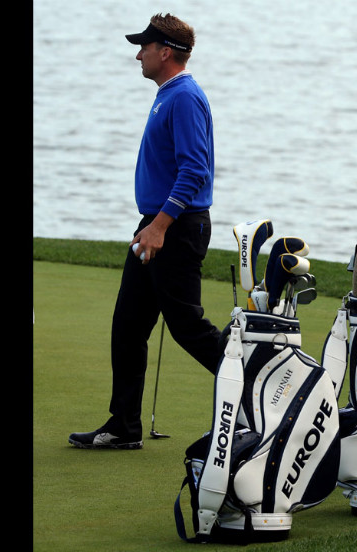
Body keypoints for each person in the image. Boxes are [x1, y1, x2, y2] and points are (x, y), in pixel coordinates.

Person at [70, 13, 225, 450]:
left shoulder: (184, 97)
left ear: (166, 52)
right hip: (156, 226)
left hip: (173, 227)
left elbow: (195, 170)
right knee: (129, 325)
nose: (138, 53)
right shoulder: (167, 94)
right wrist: (152, 225)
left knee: (187, 327)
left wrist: (159, 226)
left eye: (145, 46)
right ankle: (123, 426)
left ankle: (256, 385)